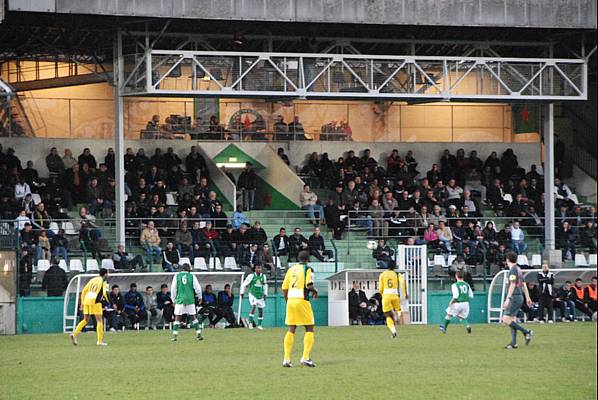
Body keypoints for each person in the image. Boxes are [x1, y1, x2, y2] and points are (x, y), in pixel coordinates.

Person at [281, 250, 317, 368]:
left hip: (291, 300)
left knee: (292, 328)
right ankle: (305, 358)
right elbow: (309, 285)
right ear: (308, 259)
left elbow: (284, 287)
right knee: (309, 327)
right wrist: (315, 291)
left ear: (298, 258)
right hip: (302, 300)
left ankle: (286, 359)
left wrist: (288, 301)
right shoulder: (308, 269)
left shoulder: (291, 269)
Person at [69, 268, 109, 346]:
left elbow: (84, 291)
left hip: (87, 300)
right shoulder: (103, 281)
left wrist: (82, 303)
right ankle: (99, 341)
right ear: (105, 274)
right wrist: (109, 302)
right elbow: (104, 293)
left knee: (85, 320)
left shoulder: (92, 280)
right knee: (99, 321)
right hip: (95, 302)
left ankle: (74, 334)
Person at [502, 252, 534, 349]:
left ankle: (527, 332)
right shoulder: (519, 269)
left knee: (505, 319)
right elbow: (524, 284)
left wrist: (508, 298)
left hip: (515, 297)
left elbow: (512, 284)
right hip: (519, 296)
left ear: (507, 260)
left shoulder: (513, 270)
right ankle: (514, 343)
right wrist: (528, 297)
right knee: (512, 320)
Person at [170, 264, 204, 341]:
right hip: (190, 299)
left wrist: (173, 300)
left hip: (180, 299)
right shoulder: (192, 276)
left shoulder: (177, 276)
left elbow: (173, 289)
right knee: (193, 317)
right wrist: (200, 297)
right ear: (189, 269)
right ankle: (198, 334)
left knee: (177, 317)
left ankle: (174, 336)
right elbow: (198, 288)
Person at [378, 260, 408, 339]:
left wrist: (382, 294)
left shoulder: (383, 274)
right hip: (395, 295)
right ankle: (398, 315)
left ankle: (393, 330)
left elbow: (380, 288)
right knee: (398, 309)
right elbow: (402, 282)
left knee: (387, 315)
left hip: (386, 296)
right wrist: (405, 294)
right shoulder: (397, 274)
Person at [241, 264, 268, 330]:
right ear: (255, 269)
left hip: (260, 294)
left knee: (260, 310)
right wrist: (242, 292)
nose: (259, 269)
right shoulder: (251, 276)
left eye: (260, 268)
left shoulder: (263, 276)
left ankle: (259, 325)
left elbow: (265, 285)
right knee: (253, 306)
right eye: (258, 268)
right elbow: (244, 284)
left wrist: (265, 294)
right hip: (252, 294)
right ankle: (250, 323)